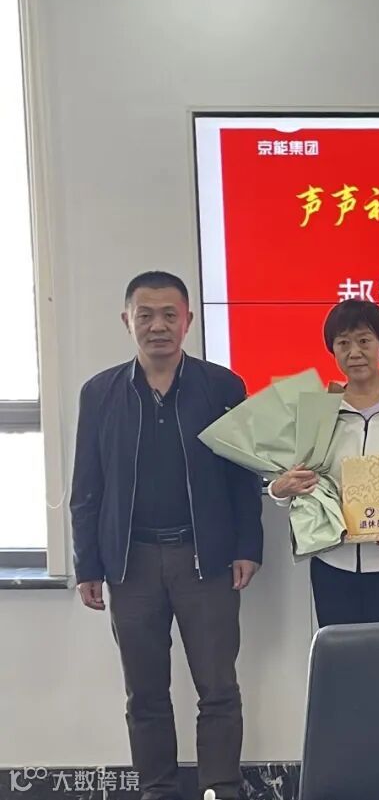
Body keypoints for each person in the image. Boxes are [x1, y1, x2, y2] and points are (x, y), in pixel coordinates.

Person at [71, 271, 263, 800]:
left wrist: (247, 547)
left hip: (206, 558)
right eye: (146, 315)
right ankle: (157, 788)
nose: (158, 326)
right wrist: (88, 564)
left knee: (218, 687)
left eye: (169, 315)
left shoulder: (222, 387)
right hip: (130, 563)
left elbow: (242, 475)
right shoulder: (100, 393)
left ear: (187, 321)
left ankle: (220, 786)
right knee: (145, 692)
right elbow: (86, 483)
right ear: (127, 320)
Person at [268, 299, 379, 627]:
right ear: (333, 350)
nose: (354, 352)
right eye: (343, 343)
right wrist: (279, 491)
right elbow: (299, 480)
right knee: (342, 655)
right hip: (334, 562)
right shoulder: (319, 411)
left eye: (364, 341)